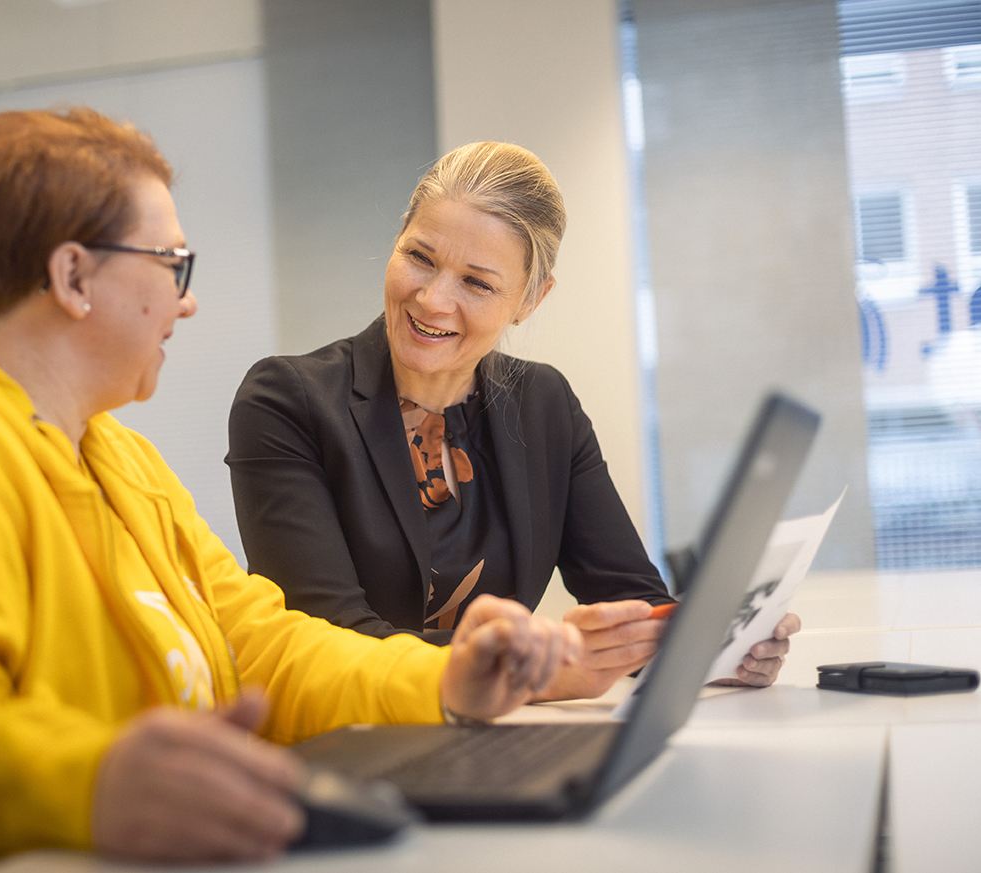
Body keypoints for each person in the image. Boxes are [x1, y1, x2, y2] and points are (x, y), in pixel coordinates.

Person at [0, 110, 581, 873]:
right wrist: (94, 782)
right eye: (171, 265)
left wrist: (445, 679)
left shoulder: (117, 461)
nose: (185, 303)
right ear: (75, 277)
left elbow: (258, 649)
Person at [227, 141, 799, 702]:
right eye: (420, 257)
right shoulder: (286, 400)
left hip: (494, 741)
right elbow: (328, 638)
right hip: (348, 747)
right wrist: (534, 671)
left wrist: (710, 648)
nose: (432, 299)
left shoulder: (543, 404)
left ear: (530, 299)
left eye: (476, 283)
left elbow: (630, 596)